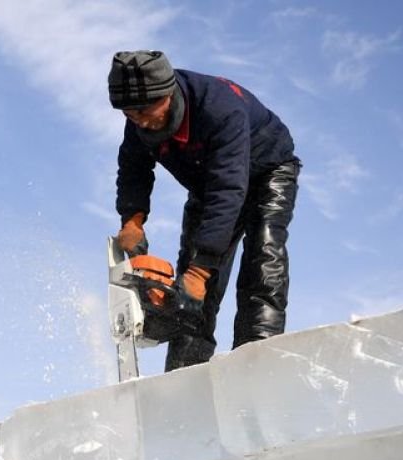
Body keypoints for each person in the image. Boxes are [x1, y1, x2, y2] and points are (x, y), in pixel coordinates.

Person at [109, 50, 301, 371]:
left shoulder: (220, 110)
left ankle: (256, 358)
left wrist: (201, 271)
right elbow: (133, 170)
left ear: (167, 93)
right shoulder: (140, 123)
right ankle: (186, 371)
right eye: (130, 114)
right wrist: (133, 220)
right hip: (209, 184)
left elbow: (229, 190)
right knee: (190, 293)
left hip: (267, 169)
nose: (140, 120)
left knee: (261, 257)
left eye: (145, 110)